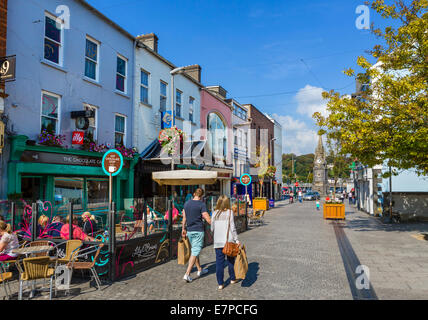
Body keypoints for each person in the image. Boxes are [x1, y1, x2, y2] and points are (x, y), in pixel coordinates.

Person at [181, 188, 211, 283]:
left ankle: (199, 270)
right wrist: (214, 224)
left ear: (194, 194)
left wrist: (183, 228)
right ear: (202, 196)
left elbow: (184, 217)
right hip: (198, 230)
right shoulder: (201, 204)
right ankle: (187, 274)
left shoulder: (187, 203)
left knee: (195, 249)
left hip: (189, 231)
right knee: (195, 251)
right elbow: (207, 218)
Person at [211, 195, 240, 290]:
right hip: (229, 241)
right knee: (231, 261)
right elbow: (232, 227)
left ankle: (220, 283)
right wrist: (237, 240)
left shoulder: (214, 213)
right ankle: (232, 278)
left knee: (219, 263)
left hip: (218, 241)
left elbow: (212, 228)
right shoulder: (230, 212)